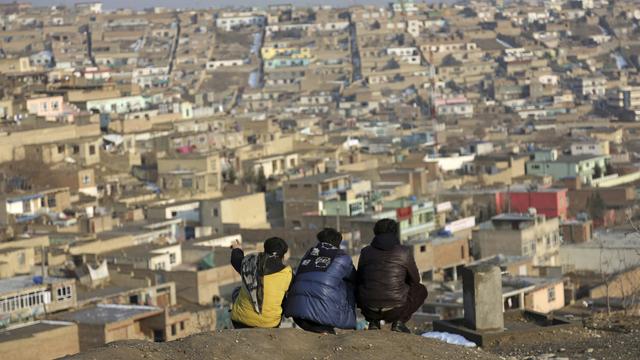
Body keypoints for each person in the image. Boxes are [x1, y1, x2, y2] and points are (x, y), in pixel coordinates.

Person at [356, 219, 428, 333]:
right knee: (421, 290)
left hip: (369, 308)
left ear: (376, 232)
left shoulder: (365, 252)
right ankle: (399, 322)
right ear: (395, 232)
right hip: (397, 309)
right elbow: (415, 280)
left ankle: (373, 322)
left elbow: (359, 279)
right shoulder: (404, 252)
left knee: (359, 287)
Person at [284, 228, 357, 334]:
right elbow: (355, 279)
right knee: (347, 283)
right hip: (324, 317)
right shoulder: (342, 258)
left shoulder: (309, 254)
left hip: (297, 315)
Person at [230, 237, 292, 329]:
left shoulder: (248, 263)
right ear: (283, 256)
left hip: (240, 322)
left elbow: (235, 259)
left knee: (237, 291)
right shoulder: (287, 274)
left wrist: (237, 248)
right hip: (270, 324)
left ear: (265, 250)